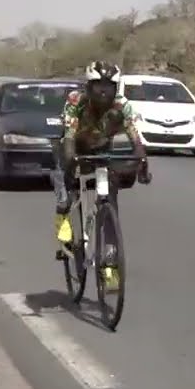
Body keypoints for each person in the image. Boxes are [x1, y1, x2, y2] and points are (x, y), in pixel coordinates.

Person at [51, 62, 151, 289]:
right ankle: (62, 217)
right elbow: (68, 136)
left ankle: (110, 266)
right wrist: (71, 161)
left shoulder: (122, 105)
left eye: (109, 86)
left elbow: (135, 137)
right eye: (98, 87)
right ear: (89, 87)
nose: (104, 92)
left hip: (101, 150)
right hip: (73, 146)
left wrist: (142, 159)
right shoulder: (76, 101)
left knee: (110, 204)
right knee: (64, 180)